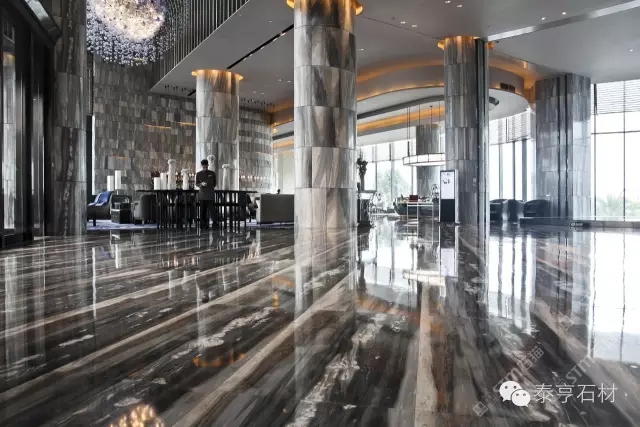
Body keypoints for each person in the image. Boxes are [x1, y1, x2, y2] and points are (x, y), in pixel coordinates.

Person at [196, 159, 217, 229]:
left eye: (206, 166)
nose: (205, 167)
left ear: (208, 165)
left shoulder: (212, 173)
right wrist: (201, 184)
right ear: (201, 166)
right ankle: (203, 225)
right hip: (202, 195)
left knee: (212, 211)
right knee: (203, 211)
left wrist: (209, 186)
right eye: (203, 166)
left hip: (210, 194)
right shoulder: (198, 174)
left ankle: (214, 224)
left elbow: (214, 183)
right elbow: (197, 184)